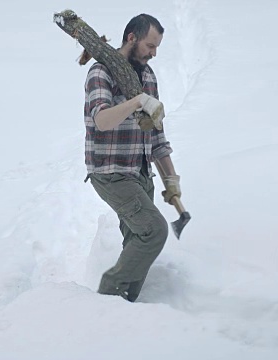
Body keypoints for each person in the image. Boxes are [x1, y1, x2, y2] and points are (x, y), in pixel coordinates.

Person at [84, 14, 181, 302]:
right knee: (154, 232)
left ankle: (126, 309)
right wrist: (137, 101)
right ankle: (105, 299)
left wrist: (171, 180)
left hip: (140, 173)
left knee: (138, 243)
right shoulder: (100, 72)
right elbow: (101, 120)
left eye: (157, 47)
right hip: (111, 173)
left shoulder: (148, 76)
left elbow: (157, 137)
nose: (154, 53)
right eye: (150, 46)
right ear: (131, 38)